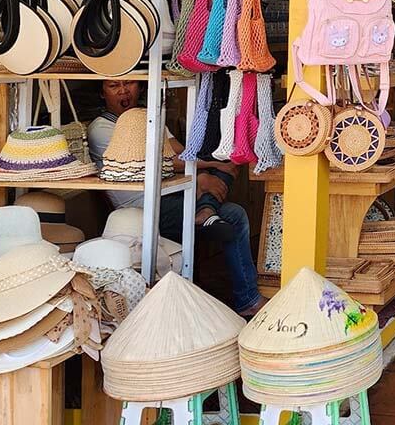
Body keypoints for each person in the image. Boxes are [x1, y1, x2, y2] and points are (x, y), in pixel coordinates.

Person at [88, 80, 265, 316]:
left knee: (228, 175)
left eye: (129, 83)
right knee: (232, 213)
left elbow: (180, 152)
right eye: (114, 86)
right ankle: (246, 297)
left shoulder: (148, 117)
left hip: (171, 194)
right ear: (102, 93)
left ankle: (206, 210)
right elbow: (158, 160)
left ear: (140, 87)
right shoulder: (101, 128)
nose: (123, 91)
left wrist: (206, 170)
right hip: (143, 209)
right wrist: (205, 171)